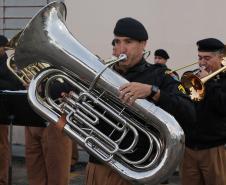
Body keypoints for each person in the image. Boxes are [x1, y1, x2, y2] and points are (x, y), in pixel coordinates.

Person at [82, 17, 196, 185]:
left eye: (128, 42)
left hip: (140, 170)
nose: (121, 48)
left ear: (143, 44)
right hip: (99, 164)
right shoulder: (100, 73)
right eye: (117, 42)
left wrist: (153, 91)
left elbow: (189, 111)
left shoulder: (160, 75)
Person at [180, 38, 226, 185]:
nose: (202, 63)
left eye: (207, 58)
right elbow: (187, 106)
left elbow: (222, 106)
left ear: (221, 58)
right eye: (200, 58)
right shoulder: (194, 77)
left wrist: (210, 82)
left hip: (214, 148)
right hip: (189, 148)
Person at [25, 79, 73, 185]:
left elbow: (73, 83)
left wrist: (42, 87)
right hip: (31, 115)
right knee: (34, 176)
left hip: (55, 116)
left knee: (57, 177)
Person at [0, 34, 24, 185]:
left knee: (1, 147)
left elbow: (16, 85)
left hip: (2, 110)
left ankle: (2, 179)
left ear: (3, 49)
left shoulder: (9, 65)